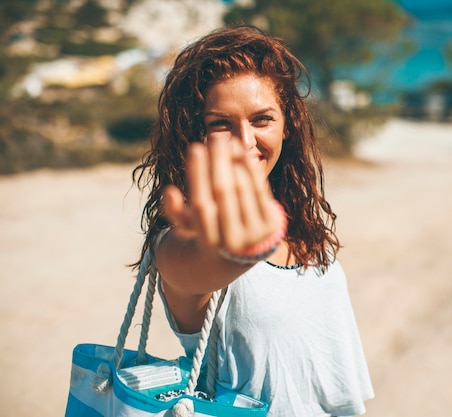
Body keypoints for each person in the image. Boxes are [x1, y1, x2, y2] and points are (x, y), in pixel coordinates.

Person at [132, 25, 374, 417]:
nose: (245, 141)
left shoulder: (305, 232)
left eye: (262, 119)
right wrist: (234, 248)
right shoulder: (181, 240)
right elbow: (195, 265)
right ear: (194, 135)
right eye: (221, 124)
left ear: (287, 124)